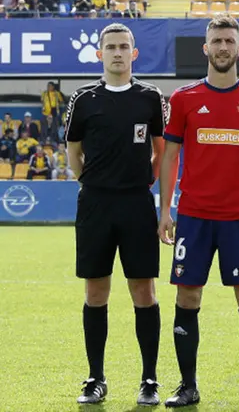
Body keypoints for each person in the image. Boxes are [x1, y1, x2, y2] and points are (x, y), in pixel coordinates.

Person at [157, 15, 239, 408]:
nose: (223, 47)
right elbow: (170, 158)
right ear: (205, 48)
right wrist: (165, 210)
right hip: (193, 217)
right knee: (187, 298)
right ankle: (188, 387)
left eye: (229, 40)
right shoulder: (183, 100)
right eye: (216, 41)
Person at [65, 23, 166, 406]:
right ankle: (95, 377)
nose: (118, 53)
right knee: (96, 291)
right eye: (111, 47)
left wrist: (144, 183)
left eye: (124, 46)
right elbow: (74, 151)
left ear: (134, 53)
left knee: (144, 291)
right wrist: (89, 180)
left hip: (137, 203)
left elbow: (160, 150)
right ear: (100, 54)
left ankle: (150, 379)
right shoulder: (84, 99)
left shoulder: (150, 98)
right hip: (95, 204)